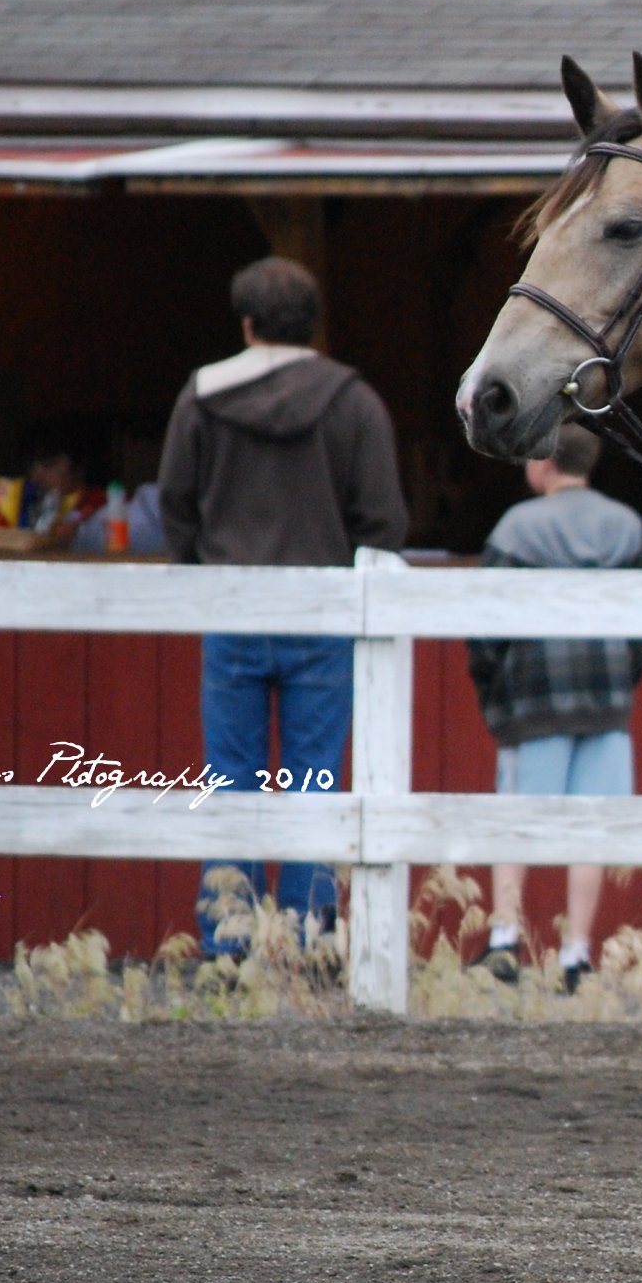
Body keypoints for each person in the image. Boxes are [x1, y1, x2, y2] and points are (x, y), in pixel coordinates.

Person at [158, 256, 409, 952]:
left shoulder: (202, 396)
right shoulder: (353, 401)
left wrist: (201, 564)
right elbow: (384, 519)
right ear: (314, 324)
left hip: (233, 608)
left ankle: (229, 942)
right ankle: (306, 936)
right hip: (324, 613)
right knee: (315, 777)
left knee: (229, 777)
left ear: (245, 323)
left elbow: (174, 503)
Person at [465, 421, 642, 993]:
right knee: (591, 827)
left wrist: (493, 690)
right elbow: (641, 626)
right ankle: (576, 954)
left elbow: (483, 627)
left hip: (535, 699)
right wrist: (625, 683)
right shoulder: (626, 527)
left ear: (542, 463)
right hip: (606, 698)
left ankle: (503, 943)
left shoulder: (517, 527)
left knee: (516, 820)